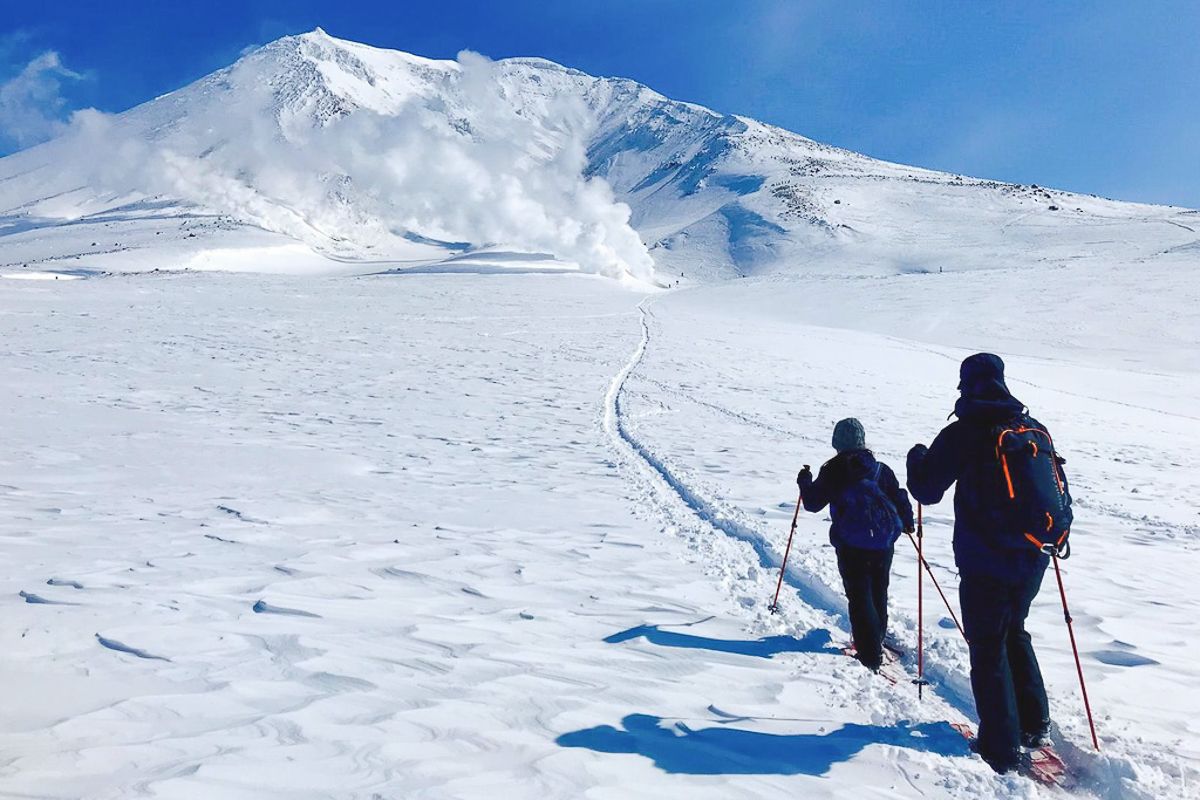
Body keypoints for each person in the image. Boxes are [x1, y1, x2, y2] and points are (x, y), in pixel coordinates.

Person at [906, 353, 1071, 775]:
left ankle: (999, 748)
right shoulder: (1031, 428)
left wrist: (916, 459)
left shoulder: (965, 432)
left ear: (966, 385)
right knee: (1015, 631)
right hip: (1033, 555)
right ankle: (1035, 726)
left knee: (987, 645)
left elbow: (926, 489)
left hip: (984, 560)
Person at [798, 418, 915, 672]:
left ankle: (870, 654)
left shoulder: (833, 470)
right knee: (878, 590)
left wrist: (804, 482)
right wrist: (907, 522)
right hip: (883, 543)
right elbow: (898, 495)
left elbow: (812, 503)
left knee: (859, 596)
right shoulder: (880, 469)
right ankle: (876, 639)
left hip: (851, 545)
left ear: (837, 442)